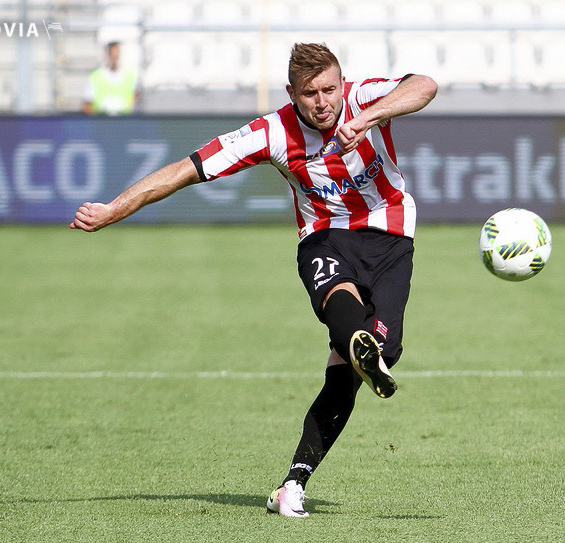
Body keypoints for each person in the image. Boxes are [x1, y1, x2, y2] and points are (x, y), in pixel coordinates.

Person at [70, 42, 438, 518]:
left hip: (390, 237)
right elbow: (188, 170)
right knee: (342, 309)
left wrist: (368, 119)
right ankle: (355, 342)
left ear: (342, 83)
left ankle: (293, 483)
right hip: (324, 239)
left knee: (371, 362)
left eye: (329, 89)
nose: (323, 102)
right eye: (310, 94)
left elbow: (425, 85)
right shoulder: (272, 131)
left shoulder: (364, 98)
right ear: (292, 93)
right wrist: (115, 209)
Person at [82, 41, 141, 115]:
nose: (115, 59)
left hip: (124, 123)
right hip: (102, 122)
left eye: (117, 55)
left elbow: (137, 98)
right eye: (112, 55)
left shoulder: (131, 76)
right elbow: (87, 104)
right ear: (107, 55)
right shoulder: (95, 77)